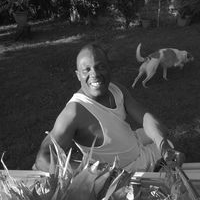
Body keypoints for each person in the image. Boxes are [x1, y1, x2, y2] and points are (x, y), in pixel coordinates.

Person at [33, 43, 184, 172]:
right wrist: (94, 173)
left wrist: (162, 144)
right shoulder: (74, 113)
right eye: (87, 70)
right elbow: (43, 159)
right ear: (78, 75)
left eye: (100, 67)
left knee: (163, 133)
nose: (95, 74)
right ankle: (156, 170)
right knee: (171, 144)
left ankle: (161, 157)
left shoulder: (115, 89)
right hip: (127, 168)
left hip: (132, 140)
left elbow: (144, 116)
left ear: (109, 68)